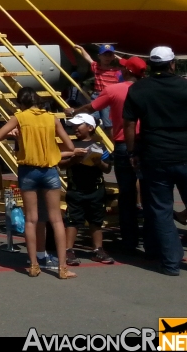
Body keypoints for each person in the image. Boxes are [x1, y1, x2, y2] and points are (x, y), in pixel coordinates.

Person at [123, 46, 187, 276]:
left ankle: (171, 263)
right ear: (173, 64)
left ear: (151, 65)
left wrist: (132, 152)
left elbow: (129, 125)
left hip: (155, 156)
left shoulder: (139, 89)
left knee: (161, 210)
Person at [67, 55, 150, 253]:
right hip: (150, 144)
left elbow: (91, 107)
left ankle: (129, 242)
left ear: (128, 71)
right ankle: (153, 242)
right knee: (152, 194)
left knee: (127, 195)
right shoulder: (149, 89)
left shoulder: (114, 89)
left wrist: (73, 111)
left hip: (124, 144)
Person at [0, 88, 77, 279]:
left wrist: (16, 136)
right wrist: (52, 151)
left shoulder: (20, 117)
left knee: (31, 219)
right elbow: (70, 147)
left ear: (21, 103)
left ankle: (33, 265)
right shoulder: (51, 118)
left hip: (28, 171)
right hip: (49, 170)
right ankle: (62, 268)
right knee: (56, 219)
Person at [61, 113, 114, 265]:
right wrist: (73, 159)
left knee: (96, 220)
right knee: (73, 220)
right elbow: (60, 164)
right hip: (76, 189)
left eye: (79, 125)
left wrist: (98, 162)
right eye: (74, 126)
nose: (75, 128)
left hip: (95, 189)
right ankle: (68, 250)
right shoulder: (70, 146)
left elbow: (107, 168)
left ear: (90, 128)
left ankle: (98, 249)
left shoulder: (100, 146)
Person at [74, 44, 121, 129]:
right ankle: (94, 136)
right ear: (99, 56)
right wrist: (82, 49)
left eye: (110, 55)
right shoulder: (96, 67)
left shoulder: (117, 71)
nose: (107, 57)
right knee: (91, 118)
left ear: (113, 57)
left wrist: (116, 56)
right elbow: (88, 58)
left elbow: (128, 64)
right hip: (97, 95)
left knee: (108, 123)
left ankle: (109, 139)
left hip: (108, 98)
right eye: (105, 55)